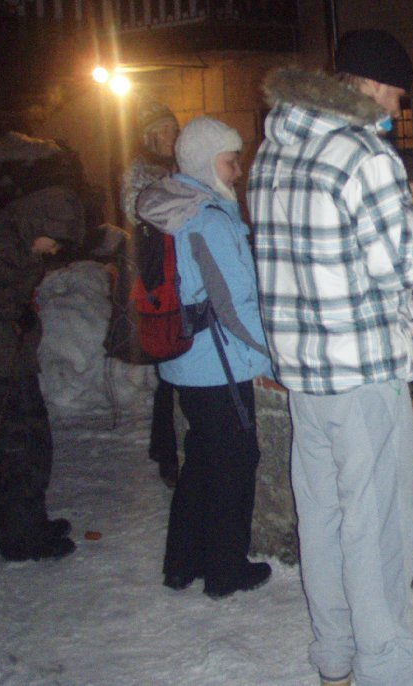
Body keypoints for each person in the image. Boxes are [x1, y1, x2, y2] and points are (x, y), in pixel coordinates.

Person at [248, 30, 413, 686]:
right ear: (371, 85)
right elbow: (403, 266)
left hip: (305, 373)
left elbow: (326, 241)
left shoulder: (274, 148)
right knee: (378, 526)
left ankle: (337, 658)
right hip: (364, 369)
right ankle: (386, 666)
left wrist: (397, 206)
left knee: (322, 520)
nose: (396, 109)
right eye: (396, 95)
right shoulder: (364, 154)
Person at [136, 116, 273, 599]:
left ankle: (183, 562)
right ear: (205, 162)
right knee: (235, 463)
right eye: (230, 161)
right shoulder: (208, 219)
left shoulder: (172, 207)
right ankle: (225, 570)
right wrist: (272, 355)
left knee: (200, 460)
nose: (238, 171)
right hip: (220, 364)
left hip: (185, 360)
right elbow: (235, 305)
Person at [0, 187, 84, 561]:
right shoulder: (5, 243)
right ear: (43, 225)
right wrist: (15, 311)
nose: (53, 252)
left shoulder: (15, 234)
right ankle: (22, 539)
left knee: (32, 443)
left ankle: (31, 523)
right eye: (54, 243)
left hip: (8, 356)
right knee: (16, 449)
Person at [120, 98, 181, 489]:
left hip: (180, 274)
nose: (172, 136)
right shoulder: (140, 172)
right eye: (165, 130)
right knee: (168, 365)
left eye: (174, 129)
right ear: (150, 135)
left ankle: (171, 447)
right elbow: (142, 214)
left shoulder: (181, 165)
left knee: (178, 368)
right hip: (158, 278)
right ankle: (166, 451)